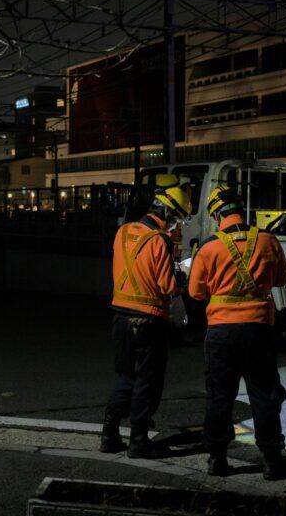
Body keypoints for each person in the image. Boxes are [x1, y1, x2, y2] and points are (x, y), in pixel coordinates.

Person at [188, 185, 286, 479]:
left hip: (221, 332)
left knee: (220, 396)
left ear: (218, 214)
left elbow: (195, 293)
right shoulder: (269, 241)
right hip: (259, 329)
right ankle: (272, 460)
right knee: (265, 395)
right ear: (240, 209)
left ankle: (217, 459)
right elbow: (280, 279)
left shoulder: (208, 247)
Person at [99, 180, 191, 458]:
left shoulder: (123, 232)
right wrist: (183, 273)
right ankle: (138, 441)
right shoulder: (160, 240)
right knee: (145, 382)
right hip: (149, 321)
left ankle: (109, 433)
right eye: (176, 220)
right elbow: (167, 286)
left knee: (125, 378)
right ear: (167, 213)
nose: (177, 227)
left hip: (120, 318)